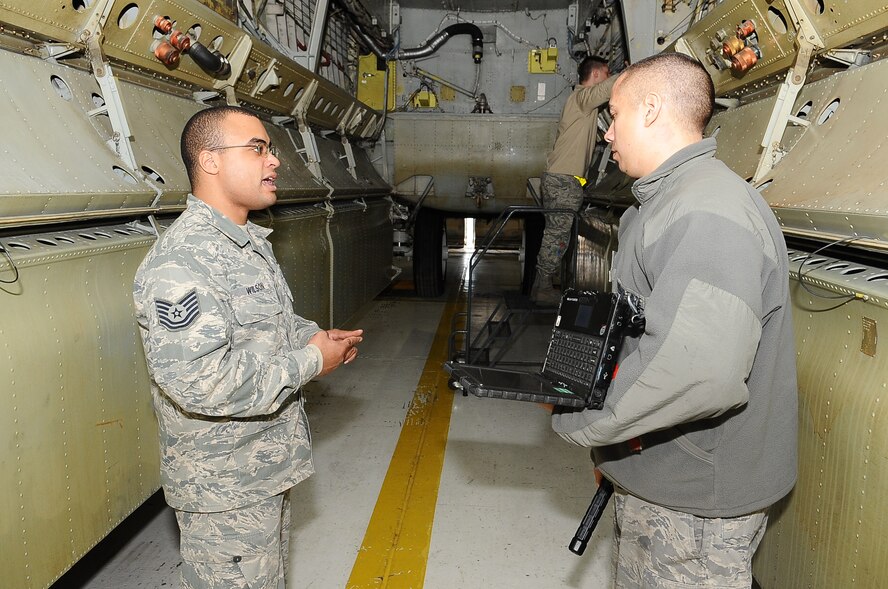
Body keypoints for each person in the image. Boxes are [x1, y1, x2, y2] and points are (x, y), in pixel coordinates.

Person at [551, 53, 798, 588]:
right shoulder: (664, 202)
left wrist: (586, 424)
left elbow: (697, 370)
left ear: (653, 109)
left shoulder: (707, 212)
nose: (608, 132)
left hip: (695, 500)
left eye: (614, 115)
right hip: (667, 474)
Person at [133, 105, 363, 589]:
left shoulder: (243, 243)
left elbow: (268, 324)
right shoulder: (182, 262)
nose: (274, 160)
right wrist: (311, 362)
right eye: (257, 149)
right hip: (224, 490)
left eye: (271, 149)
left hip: (261, 472)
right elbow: (202, 382)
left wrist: (311, 337)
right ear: (209, 160)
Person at [532, 55, 616, 305]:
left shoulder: (585, 109)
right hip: (563, 180)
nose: (609, 75)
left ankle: (541, 284)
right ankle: (543, 287)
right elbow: (607, 89)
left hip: (565, 180)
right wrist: (637, 71)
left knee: (557, 233)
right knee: (557, 235)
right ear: (598, 74)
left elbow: (594, 136)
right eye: (607, 72)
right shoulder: (581, 98)